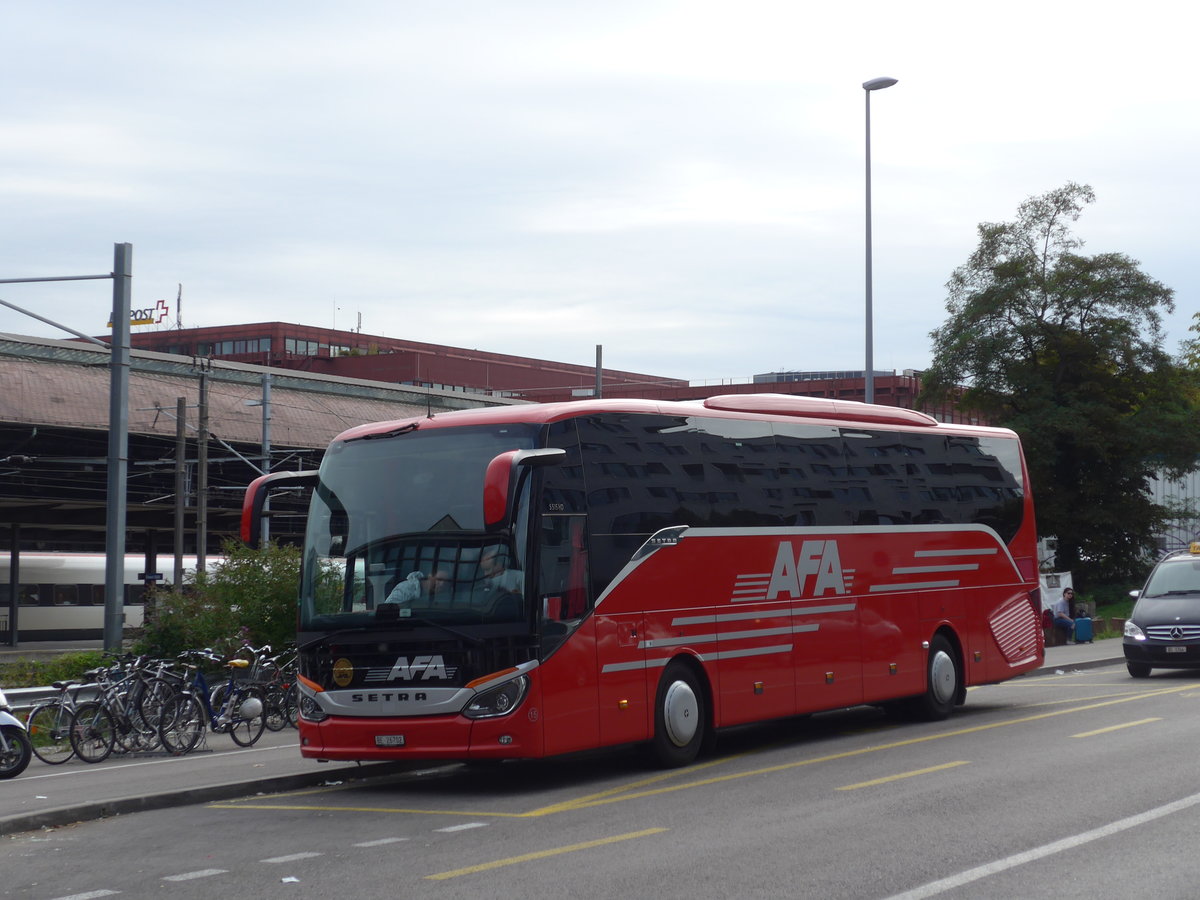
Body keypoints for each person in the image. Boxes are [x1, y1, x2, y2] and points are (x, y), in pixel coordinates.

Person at [383, 569, 451, 606]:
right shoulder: (406, 588)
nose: (442, 584)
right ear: (430, 576)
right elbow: (389, 609)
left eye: (445, 583)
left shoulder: (441, 598)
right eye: (440, 579)